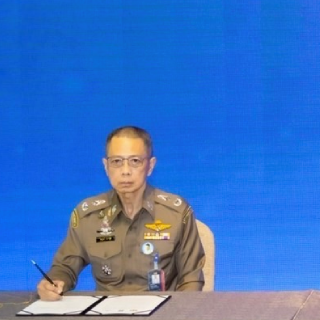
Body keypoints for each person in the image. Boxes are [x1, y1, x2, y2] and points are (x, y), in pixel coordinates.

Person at [37, 126, 205, 299]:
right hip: (105, 313)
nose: (125, 171)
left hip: (161, 311)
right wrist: (54, 282)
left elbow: (191, 279)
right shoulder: (88, 216)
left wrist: (180, 311)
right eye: (117, 161)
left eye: (135, 161)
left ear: (150, 166)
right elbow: (65, 267)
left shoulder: (176, 213)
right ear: (106, 166)